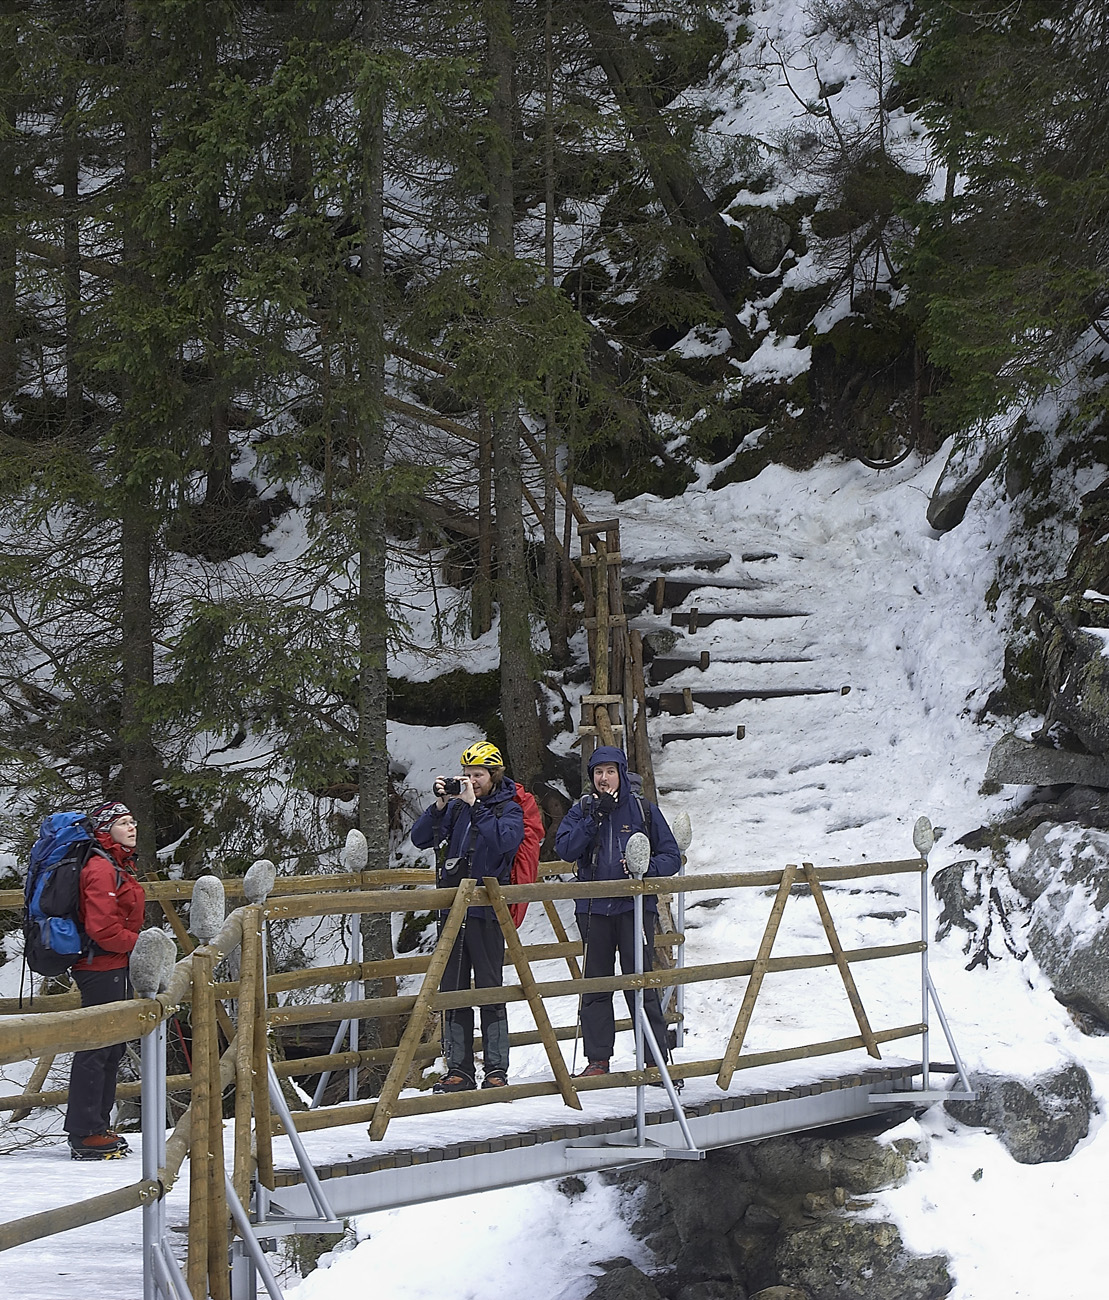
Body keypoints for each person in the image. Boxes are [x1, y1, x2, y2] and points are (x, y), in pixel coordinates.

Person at [554, 745, 681, 1079]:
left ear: (621, 773)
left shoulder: (642, 809)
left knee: (638, 981)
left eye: (610, 771)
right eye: (598, 772)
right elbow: (565, 848)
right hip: (593, 909)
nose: (604, 778)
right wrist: (595, 817)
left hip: (633, 908)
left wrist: (644, 867)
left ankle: (656, 1060)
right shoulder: (582, 810)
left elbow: (671, 856)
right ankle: (598, 1060)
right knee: (596, 984)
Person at [410, 741, 524, 1092]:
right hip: (452, 907)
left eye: (479, 775)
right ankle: (458, 1068)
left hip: (488, 910)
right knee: (453, 989)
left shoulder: (509, 808)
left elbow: (506, 842)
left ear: (493, 775)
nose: (472, 781)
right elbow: (419, 839)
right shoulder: (458, 808)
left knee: (490, 988)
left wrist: (477, 809)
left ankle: (496, 1070)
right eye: (468, 775)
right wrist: (441, 806)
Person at [63, 800, 146, 1160]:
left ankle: (98, 1125)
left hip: (113, 964)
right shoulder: (100, 867)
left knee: (110, 1047)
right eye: (123, 822)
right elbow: (101, 928)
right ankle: (84, 1132)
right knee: (96, 1047)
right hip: (99, 966)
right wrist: (139, 946)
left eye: (133, 821)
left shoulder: (117, 863)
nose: (132, 827)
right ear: (105, 828)